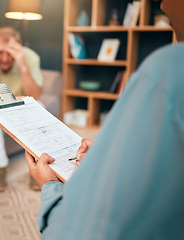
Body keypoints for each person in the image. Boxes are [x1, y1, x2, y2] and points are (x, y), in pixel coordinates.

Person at [25, 0, 184, 239]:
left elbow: (79, 232)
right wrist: (115, 153)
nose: (160, 3)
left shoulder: (167, 71)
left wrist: (49, 186)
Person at [0, 26, 43, 192]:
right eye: (0, 53)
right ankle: (0, 168)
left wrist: (22, 64)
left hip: (22, 102)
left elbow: (34, 96)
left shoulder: (30, 56)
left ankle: (37, 166)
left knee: (40, 108)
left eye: (9, 53)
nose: (4, 59)